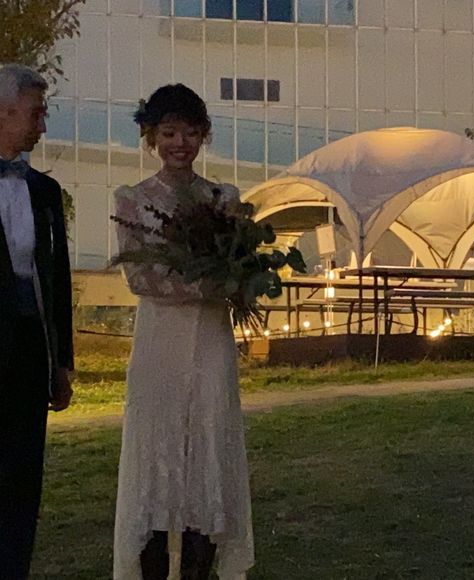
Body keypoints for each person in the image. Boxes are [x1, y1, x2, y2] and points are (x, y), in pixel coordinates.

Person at [113, 84, 254, 580]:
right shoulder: (131, 200)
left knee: (208, 455)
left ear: (204, 136)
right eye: (170, 132)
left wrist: (233, 278)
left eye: (191, 133)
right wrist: (206, 283)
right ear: (152, 136)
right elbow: (139, 279)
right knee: (156, 457)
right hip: (159, 343)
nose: (180, 143)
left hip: (211, 340)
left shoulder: (224, 198)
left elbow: (241, 268)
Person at [0, 64, 74, 578]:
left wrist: (61, 362)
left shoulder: (45, 192)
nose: (43, 125)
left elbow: (57, 280)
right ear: (3, 113)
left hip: (28, 353)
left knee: (23, 479)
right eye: (36, 113)